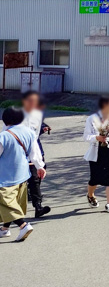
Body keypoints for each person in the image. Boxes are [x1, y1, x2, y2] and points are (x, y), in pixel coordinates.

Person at [0, 108, 39, 242]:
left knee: (5, 203)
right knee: (14, 201)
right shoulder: (29, 132)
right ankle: (4, 229)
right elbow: (34, 153)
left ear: (5, 120)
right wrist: (40, 166)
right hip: (22, 174)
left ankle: (23, 225)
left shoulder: (3, 136)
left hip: (5, 177)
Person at [19, 91, 50, 218]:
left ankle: (38, 206)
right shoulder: (18, 115)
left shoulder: (37, 115)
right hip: (20, 151)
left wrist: (43, 128)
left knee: (37, 175)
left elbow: (35, 135)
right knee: (24, 180)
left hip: (35, 149)